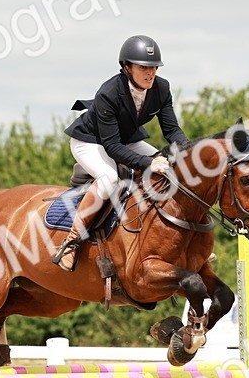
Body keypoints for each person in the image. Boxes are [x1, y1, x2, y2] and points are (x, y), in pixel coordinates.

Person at [53, 34, 190, 271]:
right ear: (127, 67)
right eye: (143, 67)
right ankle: (71, 242)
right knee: (109, 179)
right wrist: (148, 163)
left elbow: (172, 130)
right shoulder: (109, 93)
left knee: (169, 171)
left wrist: (188, 151)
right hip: (90, 142)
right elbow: (112, 147)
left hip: (126, 139)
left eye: (154, 67)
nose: (151, 73)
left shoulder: (161, 88)